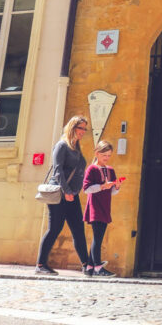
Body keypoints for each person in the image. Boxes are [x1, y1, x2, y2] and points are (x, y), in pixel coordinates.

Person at [35, 115, 90, 275]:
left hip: (72, 194)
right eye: (81, 128)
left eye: (85, 129)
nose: (83, 132)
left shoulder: (76, 147)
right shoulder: (61, 146)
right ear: (73, 127)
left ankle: (86, 265)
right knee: (54, 229)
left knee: (78, 229)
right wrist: (66, 191)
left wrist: (74, 192)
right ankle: (40, 264)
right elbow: (58, 170)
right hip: (60, 193)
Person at [82, 140, 122, 277]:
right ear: (97, 154)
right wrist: (102, 186)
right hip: (95, 207)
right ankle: (98, 268)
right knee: (98, 238)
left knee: (97, 238)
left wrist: (116, 187)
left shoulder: (111, 170)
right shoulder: (92, 169)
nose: (107, 158)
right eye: (104, 155)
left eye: (109, 155)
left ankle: (89, 267)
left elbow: (112, 192)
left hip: (105, 206)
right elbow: (86, 189)